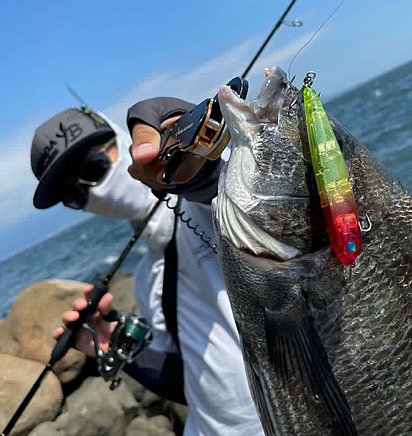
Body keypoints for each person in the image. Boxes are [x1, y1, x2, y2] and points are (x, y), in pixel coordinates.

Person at [42, 101, 264, 435]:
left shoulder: (211, 203)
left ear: (124, 141)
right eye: (73, 194)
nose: (90, 192)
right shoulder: (146, 280)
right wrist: (114, 345)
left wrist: (189, 163)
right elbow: (186, 380)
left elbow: (228, 187)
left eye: (94, 168)